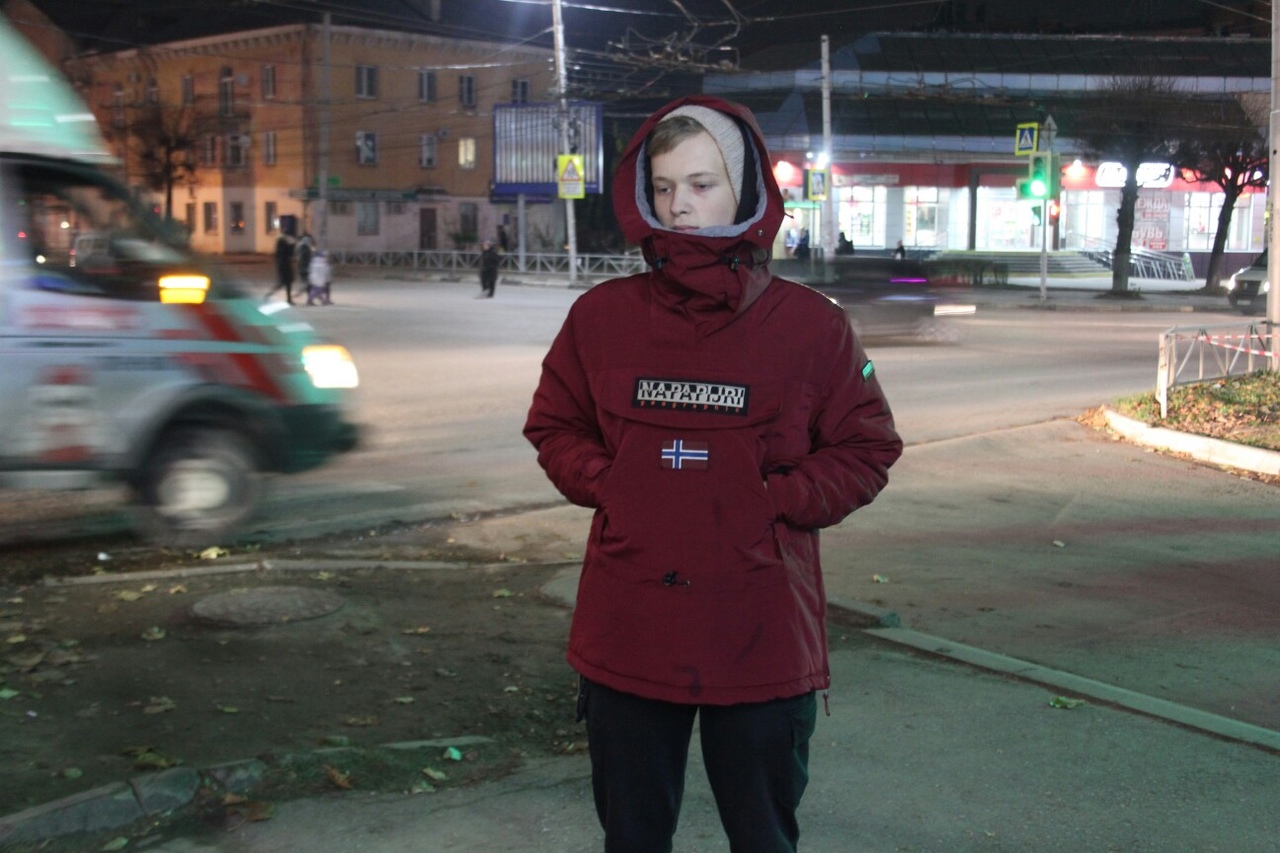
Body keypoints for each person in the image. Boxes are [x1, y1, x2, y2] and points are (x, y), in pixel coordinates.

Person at [524, 96, 902, 853]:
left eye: (701, 184)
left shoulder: (811, 326)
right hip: (630, 627)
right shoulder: (601, 318)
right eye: (664, 187)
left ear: (747, 190)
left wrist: (773, 500)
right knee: (633, 837)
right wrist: (616, 484)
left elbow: (866, 448)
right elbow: (555, 426)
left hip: (759, 629)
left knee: (763, 837)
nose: (679, 206)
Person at [266, 232, 296, 303]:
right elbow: (290, 253)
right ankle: (270, 295)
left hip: (283, 266)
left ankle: (288, 299)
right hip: (286, 267)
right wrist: (292, 245)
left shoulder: (280, 246)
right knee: (285, 284)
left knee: (285, 284)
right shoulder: (284, 245)